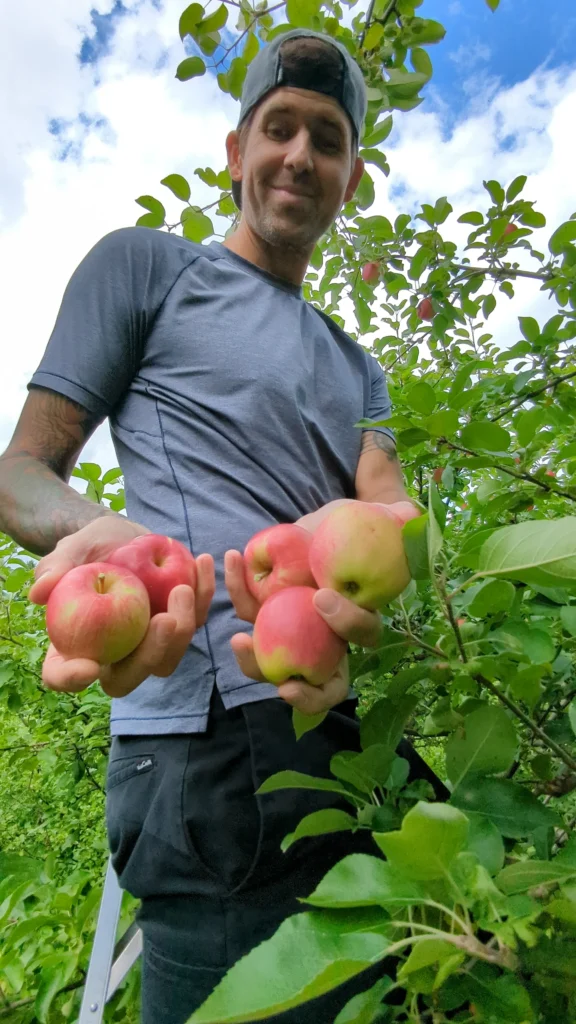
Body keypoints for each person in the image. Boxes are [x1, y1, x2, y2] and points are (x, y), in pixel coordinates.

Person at [0, 29, 444, 1023]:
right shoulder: (145, 269)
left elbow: (393, 517)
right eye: (278, 128)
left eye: (327, 140)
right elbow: (22, 473)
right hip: (202, 745)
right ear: (234, 152)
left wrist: (388, 573)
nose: (300, 154)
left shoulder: (356, 365)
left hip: (343, 737)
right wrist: (100, 535)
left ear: (351, 179)